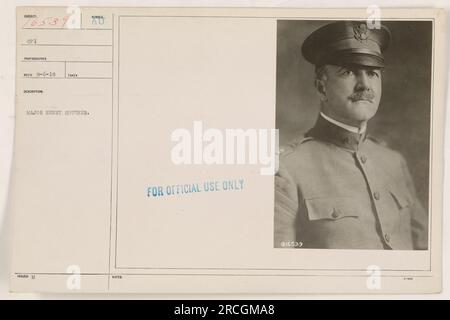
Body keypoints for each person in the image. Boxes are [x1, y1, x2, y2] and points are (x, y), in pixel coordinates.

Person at [274, 21, 428, 250]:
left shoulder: (394, 162)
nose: (364, 85)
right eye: (348, 72)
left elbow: (427, 255)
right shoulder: (287, 169)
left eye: (373, 73)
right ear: (321, 88)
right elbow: (282, 273)